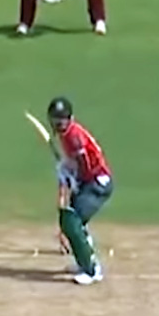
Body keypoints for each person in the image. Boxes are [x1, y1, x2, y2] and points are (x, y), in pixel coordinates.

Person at [45, 96, 113, 285]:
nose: (58, 124)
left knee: (73, 221)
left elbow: (87, 165)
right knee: (73, 220)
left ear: (69, 118)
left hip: (98, 183)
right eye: (55, 120)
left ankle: (92, 270)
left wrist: (75, 177)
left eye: (61, 120)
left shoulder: (73, 136)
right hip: (89, 181)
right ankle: (84, 262)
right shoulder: (67, 135)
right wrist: (68, 171)